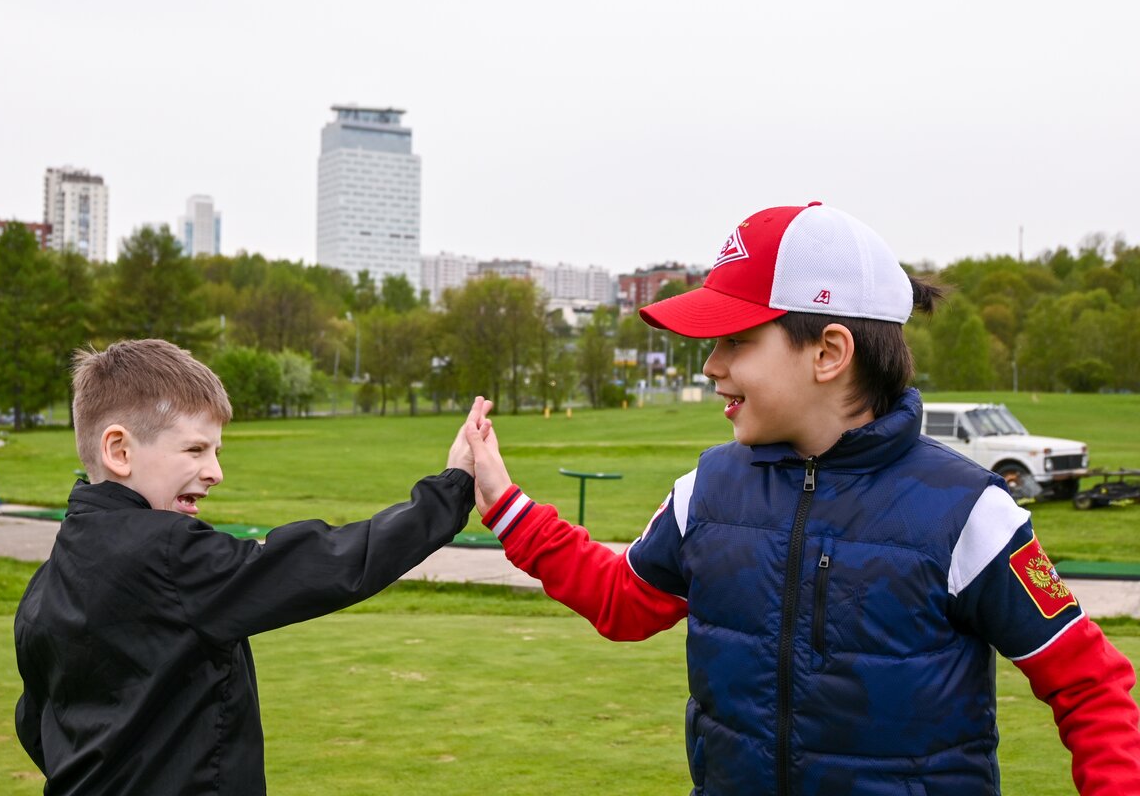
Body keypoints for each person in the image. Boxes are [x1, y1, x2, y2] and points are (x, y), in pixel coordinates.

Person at [461, 202, 1140, 795]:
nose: (710, 367)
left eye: (735, 340)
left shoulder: (969, 513)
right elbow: (622, 602)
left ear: (829, 353)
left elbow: (1091, 689)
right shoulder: (708, 491)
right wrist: (503, 499)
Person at [15, 339, 485, 795]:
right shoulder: (167, 553)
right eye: (195, 450)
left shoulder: (46, 582)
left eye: (216, 452)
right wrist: (450, 491)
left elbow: (37, 722)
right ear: (119, 451)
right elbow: (321, 565)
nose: (215, 471)